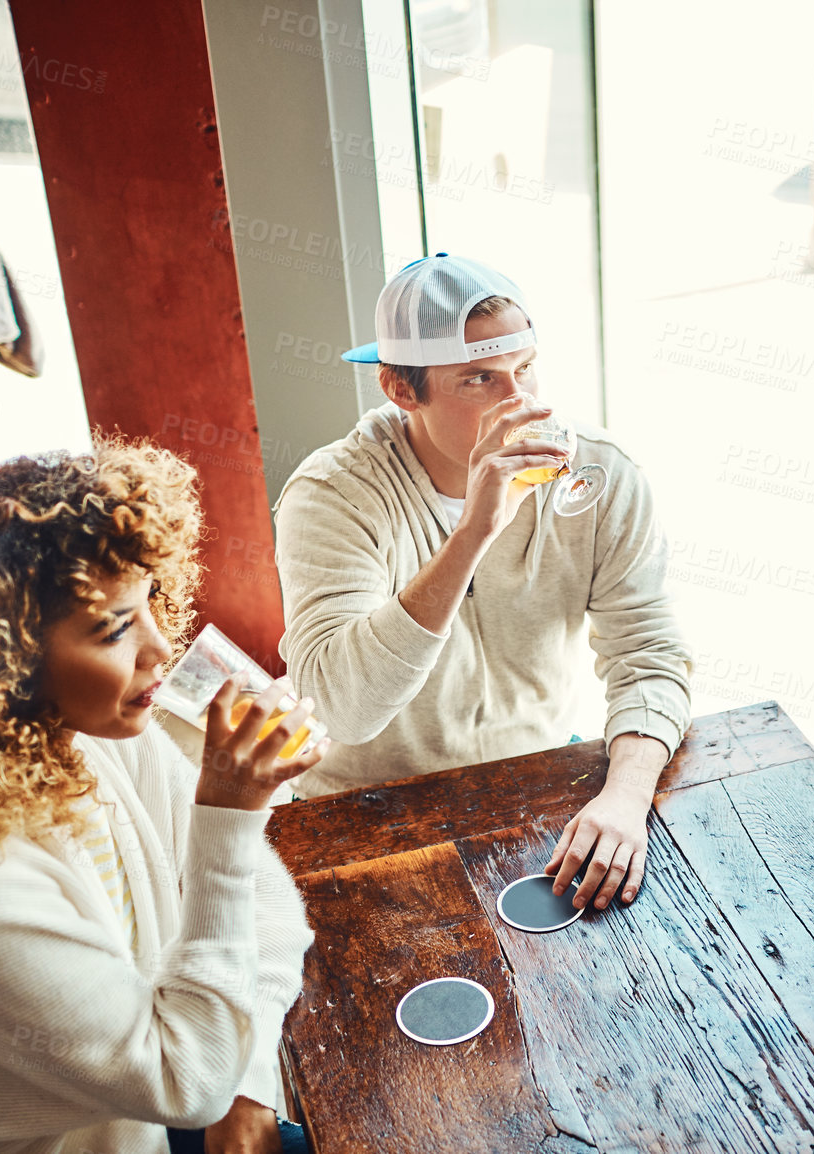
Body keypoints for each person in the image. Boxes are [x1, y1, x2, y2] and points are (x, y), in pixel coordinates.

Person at [0, 440, 321, 1154]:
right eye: (113, 629)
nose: (162, 649)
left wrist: (251, 1080)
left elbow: (269, 904)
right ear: (4, 662)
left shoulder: (86, 732)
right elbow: (186, 1080)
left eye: (150, 607)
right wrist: (226, 817)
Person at [275, 253, 691, 911]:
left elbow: (649, 657)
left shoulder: (600, 473)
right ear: (400, 389)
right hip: (365, 809)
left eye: (524, 368)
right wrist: (473, 532)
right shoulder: (333, 494)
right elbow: (339, 709)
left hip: (535, 783)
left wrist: (624, 796)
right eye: (478, 379)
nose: (519, 403)